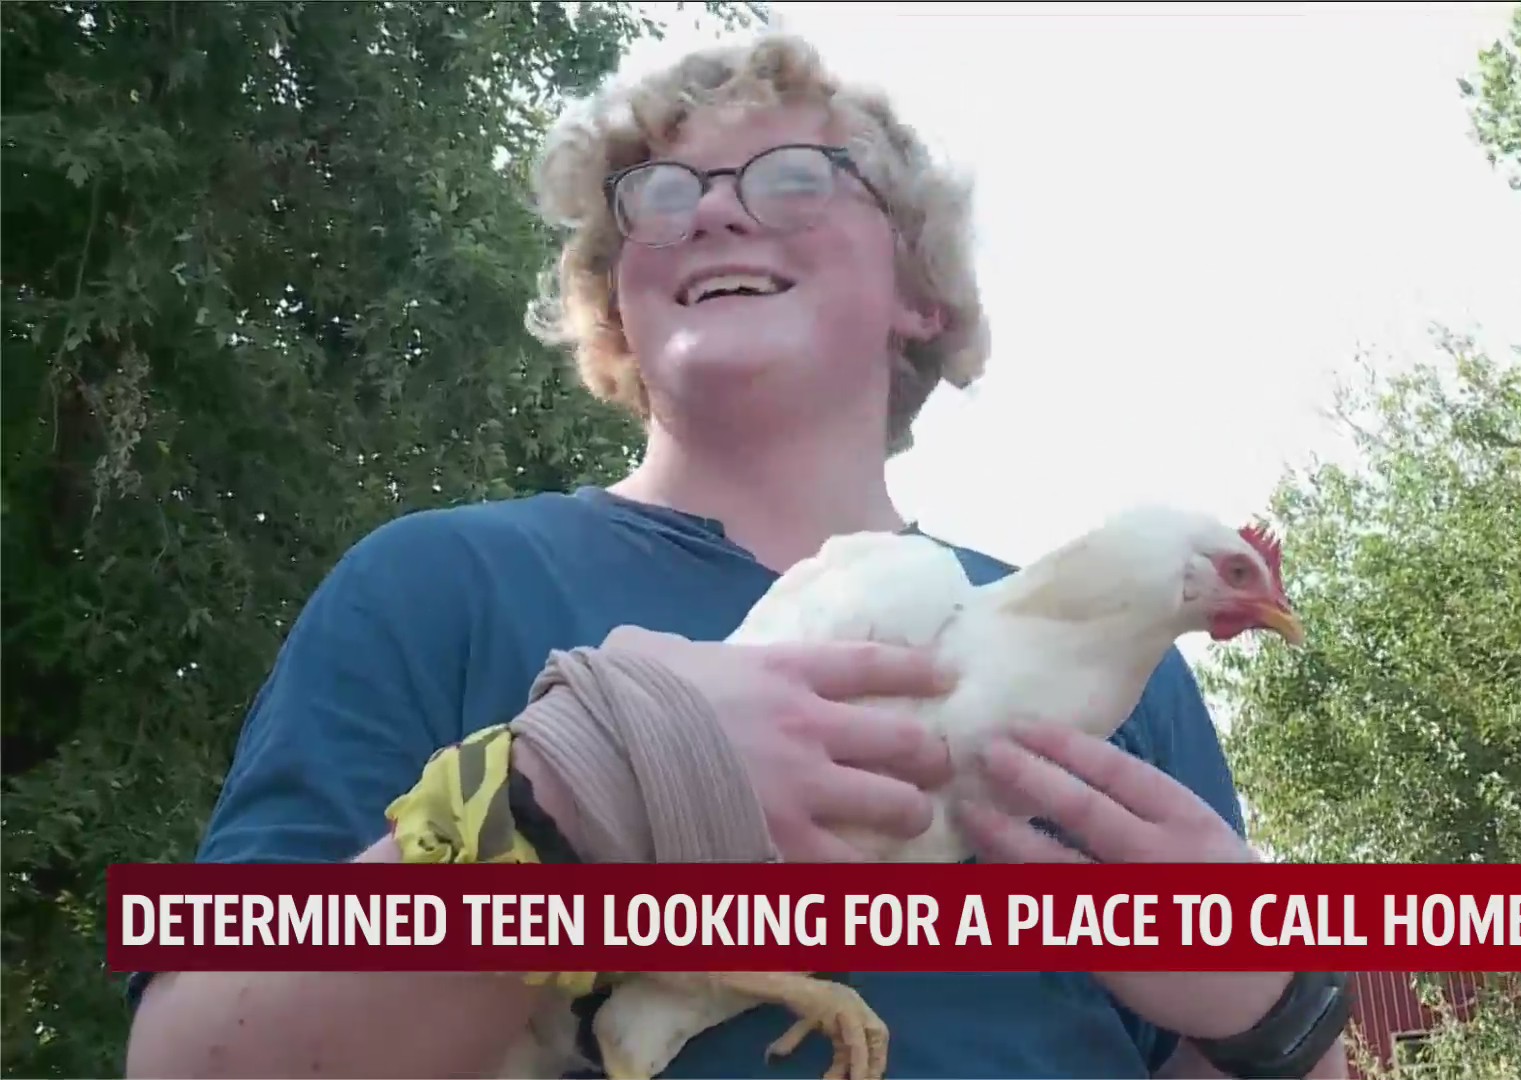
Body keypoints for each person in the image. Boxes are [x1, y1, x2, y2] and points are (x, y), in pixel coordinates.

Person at [122, 31, 1351, 1080]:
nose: (710, 206)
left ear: (919, 291)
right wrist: (570, 797)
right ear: (620, 302)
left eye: (796, 178)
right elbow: (190, 1058)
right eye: (659, 195)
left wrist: (1278, 1008)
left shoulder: (1138, 688)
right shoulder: (443, 587)